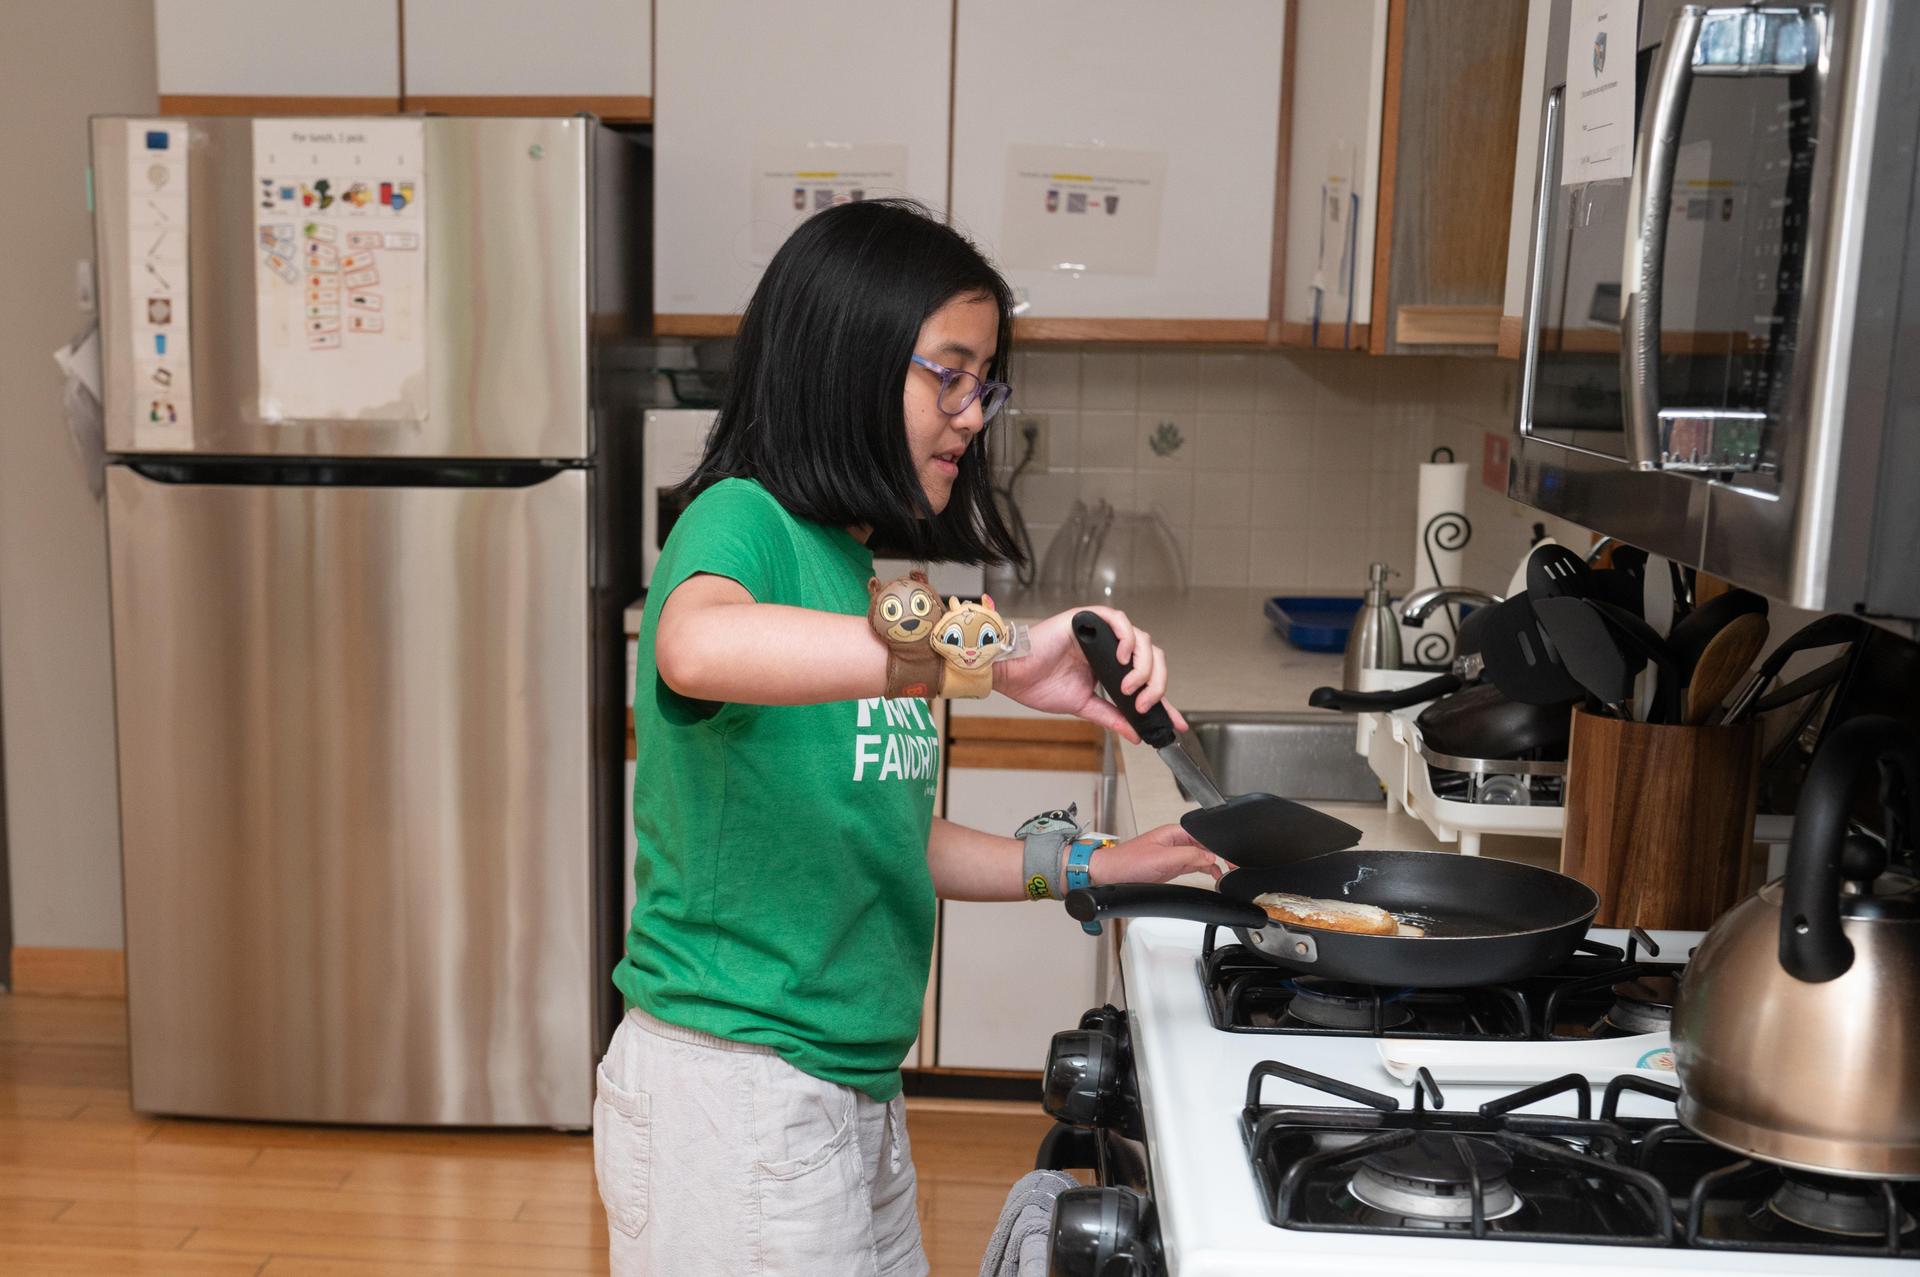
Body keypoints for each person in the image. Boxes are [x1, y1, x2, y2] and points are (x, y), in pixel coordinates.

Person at [594, 199, 1219, 1277]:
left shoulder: (855, 572)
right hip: (734, 1089)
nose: (974, 413)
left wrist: (1092, 863)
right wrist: (981, 654)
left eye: (987, 382)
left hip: (844, 1088)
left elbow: (887, 833)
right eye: (950, 373)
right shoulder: (740, 522)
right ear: (845, 357)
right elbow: (692, 645)